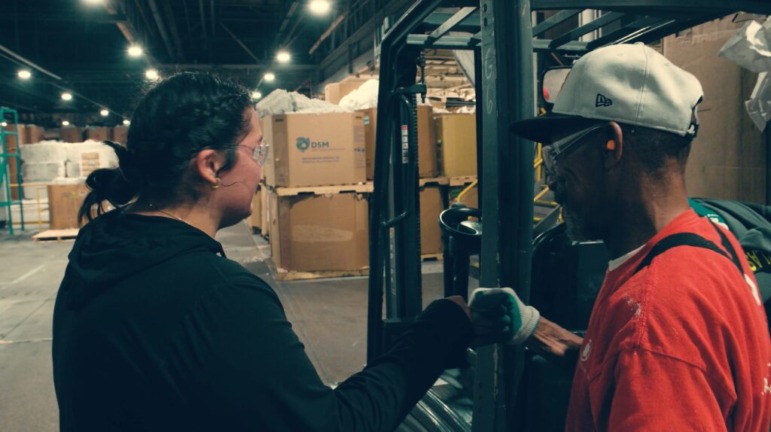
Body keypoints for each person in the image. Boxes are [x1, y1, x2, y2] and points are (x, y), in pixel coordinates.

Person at [51, 72, 482, 431]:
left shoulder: (101, 247)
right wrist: (438, 330)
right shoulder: (216, 294)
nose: (262, 167)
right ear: (211, 166)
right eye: (257, 150)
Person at [472, 43, 771, 430]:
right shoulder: (714, 240)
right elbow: (635, 366)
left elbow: (648, 355)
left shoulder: (655, 314)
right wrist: (534, 329)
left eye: (558, 155)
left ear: (609, 146)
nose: (552, 180)